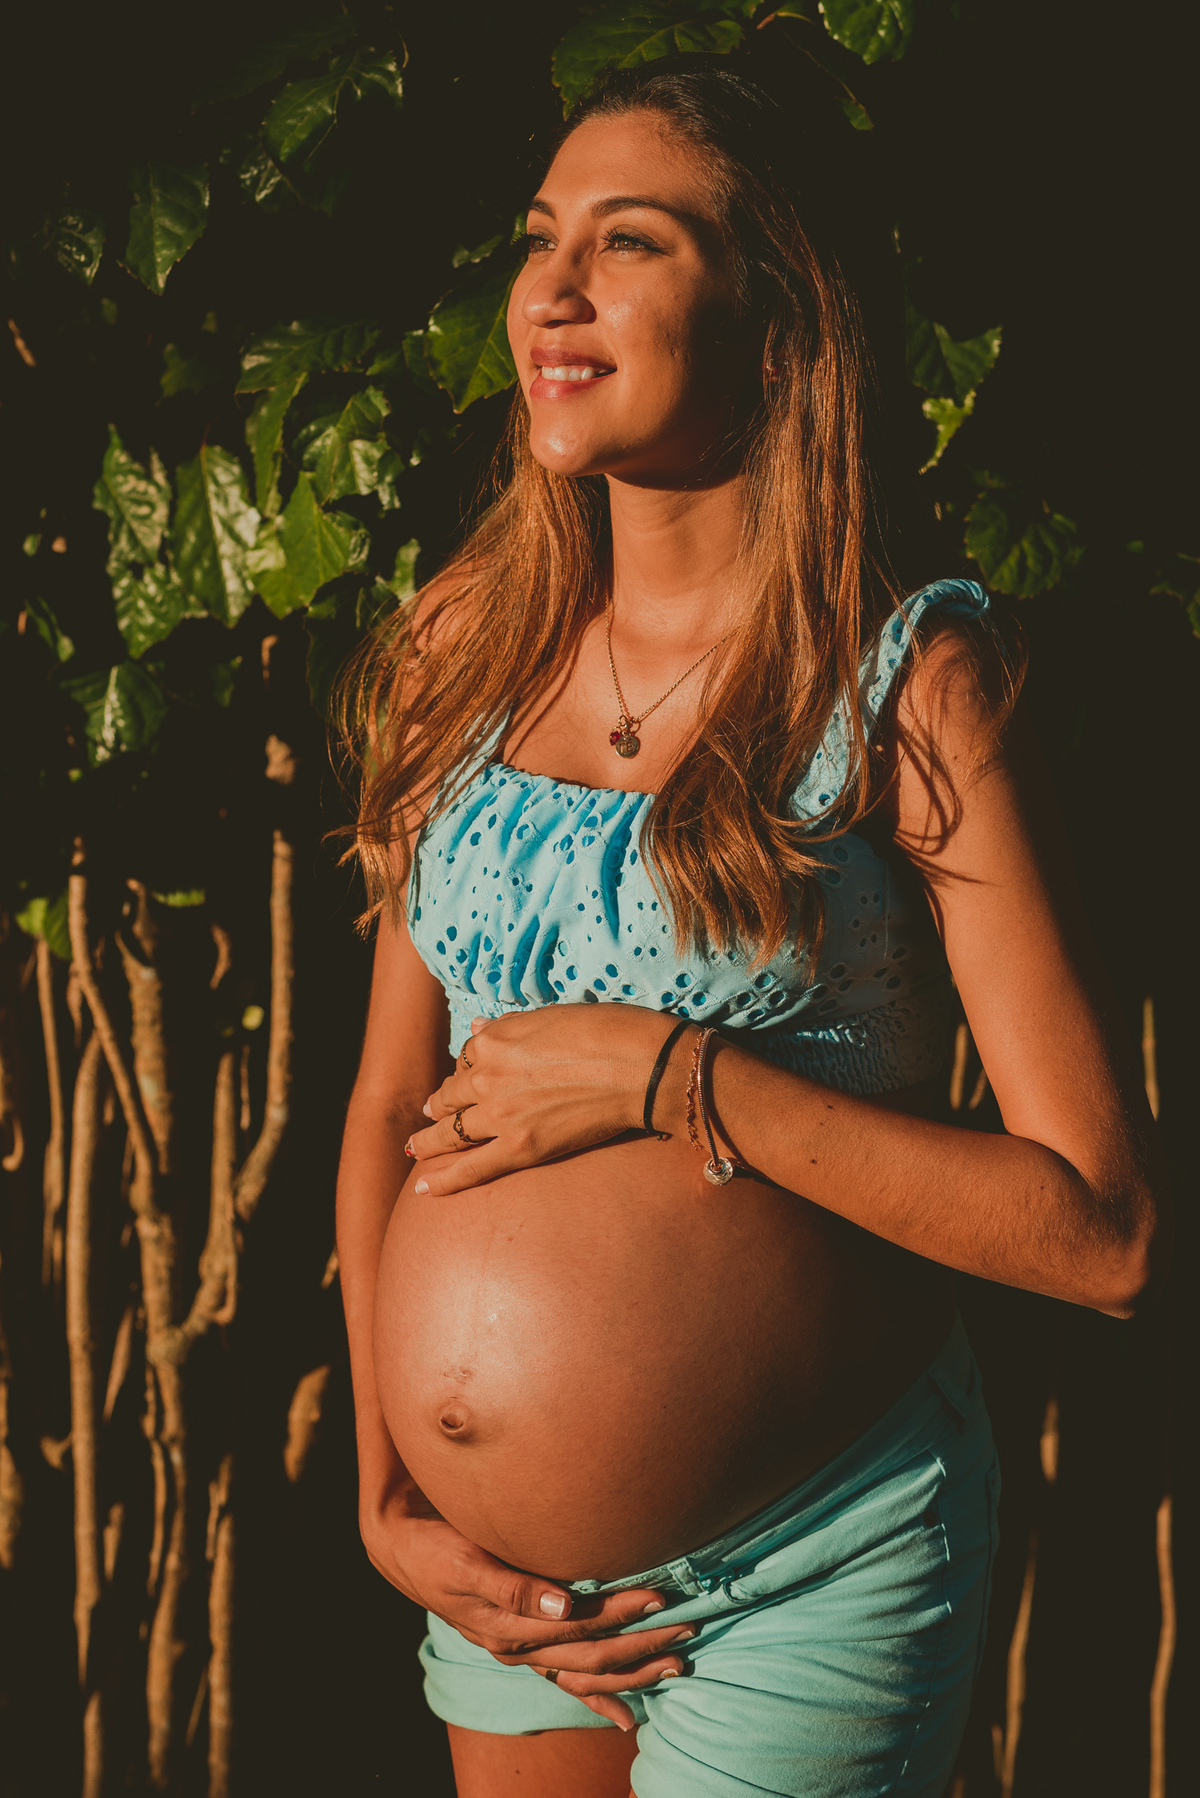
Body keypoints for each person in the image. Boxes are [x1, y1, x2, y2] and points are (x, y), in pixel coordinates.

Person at [334, 59, 1168, 1798]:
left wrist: (679, 1079)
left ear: (779, 321)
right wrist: (388, 1482)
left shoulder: (911, 687)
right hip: (504, 1592)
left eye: (627, 242)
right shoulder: (459, 652)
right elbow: (389, 1097)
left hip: (809, 1569)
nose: (552, 289)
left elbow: (1102, 1232)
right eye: (540, 239)